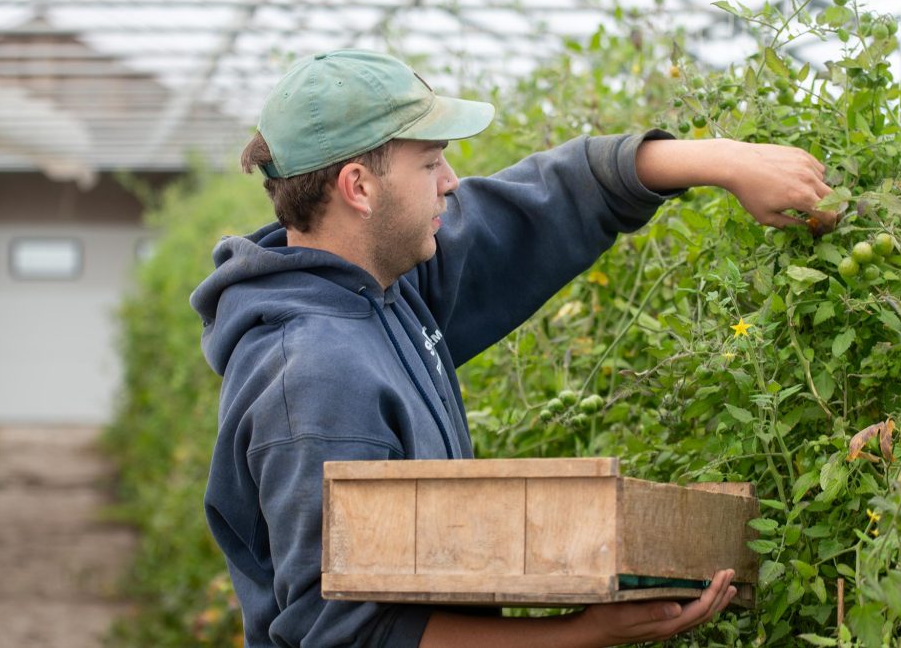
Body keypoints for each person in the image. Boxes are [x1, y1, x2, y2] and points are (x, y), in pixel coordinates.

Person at [190, 49, 834, 648]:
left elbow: (543, 205)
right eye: (430, 160)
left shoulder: (383, 288)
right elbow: (344, 632)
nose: (451, 180)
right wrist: (580, 633)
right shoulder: (314, 379)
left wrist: (725, 163)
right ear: (358, 187)